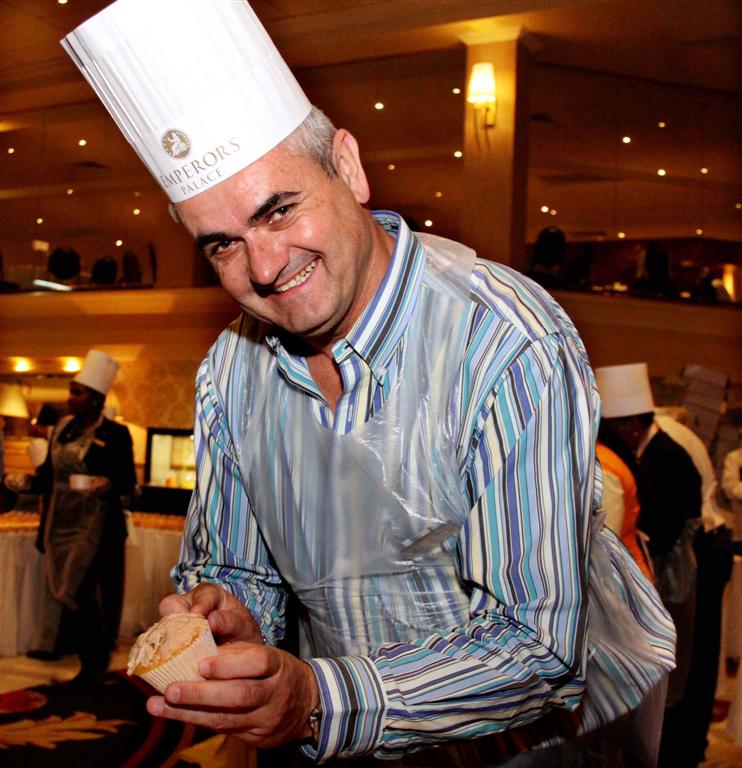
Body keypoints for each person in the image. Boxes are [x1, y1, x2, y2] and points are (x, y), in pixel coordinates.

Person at [62, 2, 675, 765]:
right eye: (222, 245)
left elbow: (538, 649)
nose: (263, 267)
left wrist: (319, 697)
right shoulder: (231, 370)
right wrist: (229, 618)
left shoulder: (503, 338)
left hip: (551, 742)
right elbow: (234, 567)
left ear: (347, 166)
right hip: (353, 735)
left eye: (279, 210)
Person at [595, 363, 725, 768]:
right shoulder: (644, 449)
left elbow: (664, 527)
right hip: (664, 561)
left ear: (632, 425)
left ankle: (681, 750)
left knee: (684, 660)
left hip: (687, 559)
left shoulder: (667, 455)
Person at [4, 349, 136, 689]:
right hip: (61, 523)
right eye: (71, 391)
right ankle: (91, 661)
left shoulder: (116, 434)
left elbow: (127, 481)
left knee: (84, 595)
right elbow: (50, 476)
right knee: (69, 595)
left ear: (95, 399)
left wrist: (105, 484)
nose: (70, 398)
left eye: (77, 393)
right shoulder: (63, 429)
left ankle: (93, 663)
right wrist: (27, 482)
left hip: (97, 527)